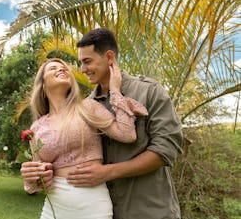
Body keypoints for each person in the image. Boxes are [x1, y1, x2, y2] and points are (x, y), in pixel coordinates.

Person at [22, 28, 183, 219]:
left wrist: (108, 172)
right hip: (97, 207)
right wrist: (34, 177)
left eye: (87, 61)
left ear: (108, 57)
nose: (81, 70)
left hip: (147, 209)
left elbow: (166, 149)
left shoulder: (148, 91)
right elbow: (45, 170)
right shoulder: (86, 105)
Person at [22, 58, 148, 219]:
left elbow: (127, 134)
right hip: (53, 209)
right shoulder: (36, 128)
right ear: (43, 84)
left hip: (92, 206)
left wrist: (115, 90)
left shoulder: (88, 107)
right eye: (53, 68)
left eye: (65, 68)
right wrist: (32, 178)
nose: (62, 70)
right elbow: (37, 181)